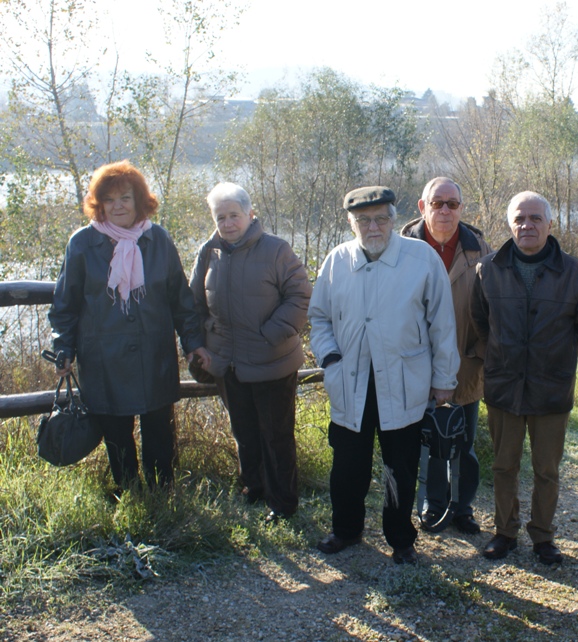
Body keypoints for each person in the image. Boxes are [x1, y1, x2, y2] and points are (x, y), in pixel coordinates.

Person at [308, 186, 459, 564]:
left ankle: (401, 539)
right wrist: (329, 359)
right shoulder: (336, 261)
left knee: (400, 470)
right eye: (363, 220)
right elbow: (319, 317)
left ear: (394, 218)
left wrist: (444, 379)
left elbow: (442, 323)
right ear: (350, 222)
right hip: (351, 382)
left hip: (404, 383)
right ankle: (346, 529)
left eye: (380, 219)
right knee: (346, 467)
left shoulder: (421, 258)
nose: (372, 227)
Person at [48, 160, 210, 490]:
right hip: (103, 359)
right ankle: (130, 498)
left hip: (154, 356)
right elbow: (65, 305)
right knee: (117, 436)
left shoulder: (158, 239)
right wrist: (62, 348)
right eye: (109, 199)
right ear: (99, 203)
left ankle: (163, 496)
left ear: (139, 200)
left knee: (159, 432)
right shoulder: (82, 244)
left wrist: (193, 343)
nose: (118, 206)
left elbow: (181, 300)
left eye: (125, 198)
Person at [471, 191, 578, 564]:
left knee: (547, 469)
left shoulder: (574, 271)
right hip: (504, 386)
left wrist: (557, 354)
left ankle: (543, 536)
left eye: (535, 218)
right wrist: (501, 351)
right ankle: (504, 532)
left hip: (551, 387)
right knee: (503, 465)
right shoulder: (488, 269)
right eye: (519, 218)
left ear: (549, 223)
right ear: (509, 223)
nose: (527, 225)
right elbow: (480, 321)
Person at [189, 182, 311, 524]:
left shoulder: (276, 250)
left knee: (276, 435)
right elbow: (195, 304)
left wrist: (270, 334)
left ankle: (283, 502)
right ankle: (254, 490)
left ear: (250, 214)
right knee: (243, 431)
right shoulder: (208, 253)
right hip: (228, 363)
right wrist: (201, 344)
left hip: (273, 361)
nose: (228, 223)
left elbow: (300, 296)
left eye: (234, 215)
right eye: (221, 217)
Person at [401, 177, 493, 535]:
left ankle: (463, 507)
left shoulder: (478, 248)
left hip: (465, 365)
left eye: (452, 204)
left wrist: (481, 351)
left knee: (463, 442)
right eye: (436, 203)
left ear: (461, 209)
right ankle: (431, 504)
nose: (444, 210)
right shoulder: (403, 247)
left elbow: (494, 306)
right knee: (425, 441)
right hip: (415, 366)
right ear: (422, 207)